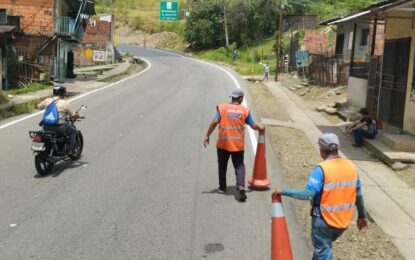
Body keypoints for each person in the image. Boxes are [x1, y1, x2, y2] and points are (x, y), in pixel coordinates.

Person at [272, 133, 368, 260]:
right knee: (321, 250)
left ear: (322, 150)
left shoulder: (322, 169)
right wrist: (362, 216)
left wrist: (283, 191)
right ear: (337, 148)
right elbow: (358, 195)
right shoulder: (352, 167)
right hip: (343, 222)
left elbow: (308, 194)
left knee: (323, 252)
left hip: (324, 221)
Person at [204, 89, 264, 202]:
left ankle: (222, 187)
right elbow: (252, 125)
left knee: (222, 166)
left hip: (223, 145)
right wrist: (259, 127)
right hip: (237, 146)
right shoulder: (244, 111)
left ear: (232, 97)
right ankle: (241, 187)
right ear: (240, 98)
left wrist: (207, 135)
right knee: (239, 166)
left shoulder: (222, 108)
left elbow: (214, 122)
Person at [37, 85, 80, 154]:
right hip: (59, 127)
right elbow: (73, 115)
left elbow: (38, 107)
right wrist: (77, 115)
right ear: (63, 93)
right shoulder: (65, 103)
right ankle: (70, 149)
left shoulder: (48, 100)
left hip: (45, 126)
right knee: (73, 131)